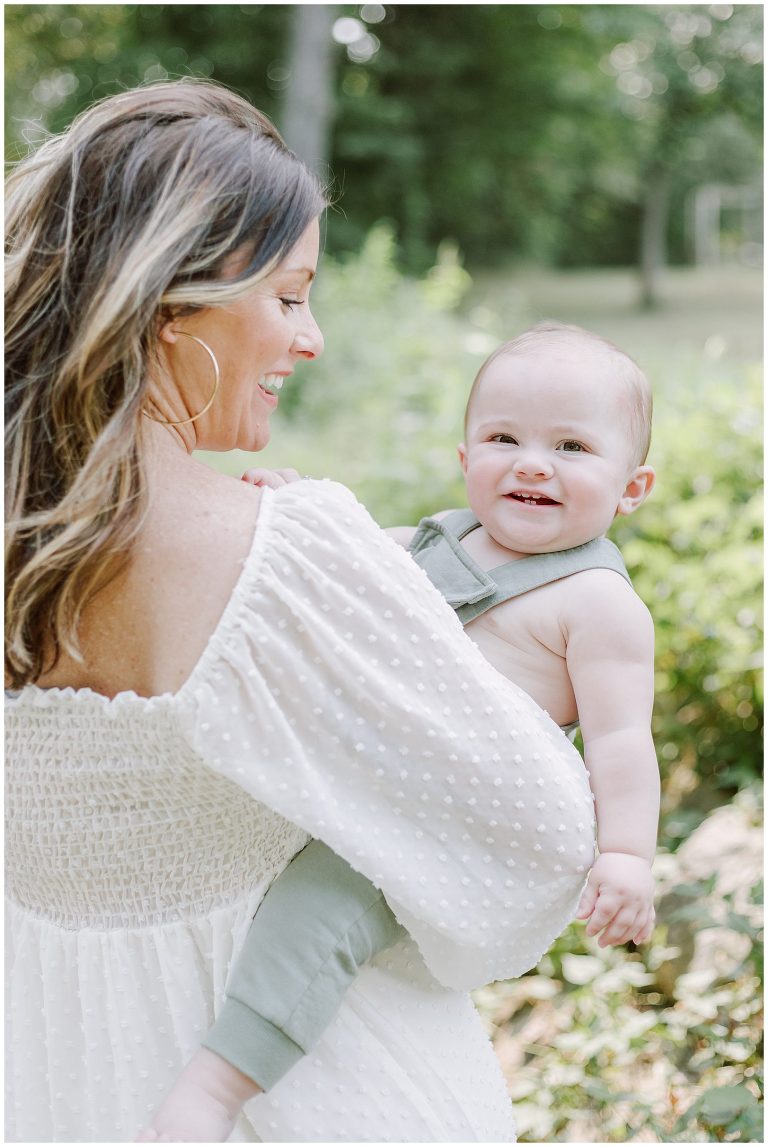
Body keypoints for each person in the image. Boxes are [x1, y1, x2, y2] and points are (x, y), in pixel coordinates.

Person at [5, 79, 597, 1144]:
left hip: (61, 1096)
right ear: (171, 307)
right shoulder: (286, 558)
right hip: (322, 1104)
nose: (311, 337)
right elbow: (540, 839)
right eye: (287, 296)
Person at [141, 321, 661, 1141]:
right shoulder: (446, 537)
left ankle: (216, 1084)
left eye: (570, 445)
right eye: (504, 437)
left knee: (320, 912)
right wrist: (292, 509)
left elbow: (623, 741)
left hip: (443, 818)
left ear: (632, 488)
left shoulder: (596, 603)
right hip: (373, 766)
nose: (532, 462)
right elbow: (348, 562)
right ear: (465, 459)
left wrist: (627, 854)